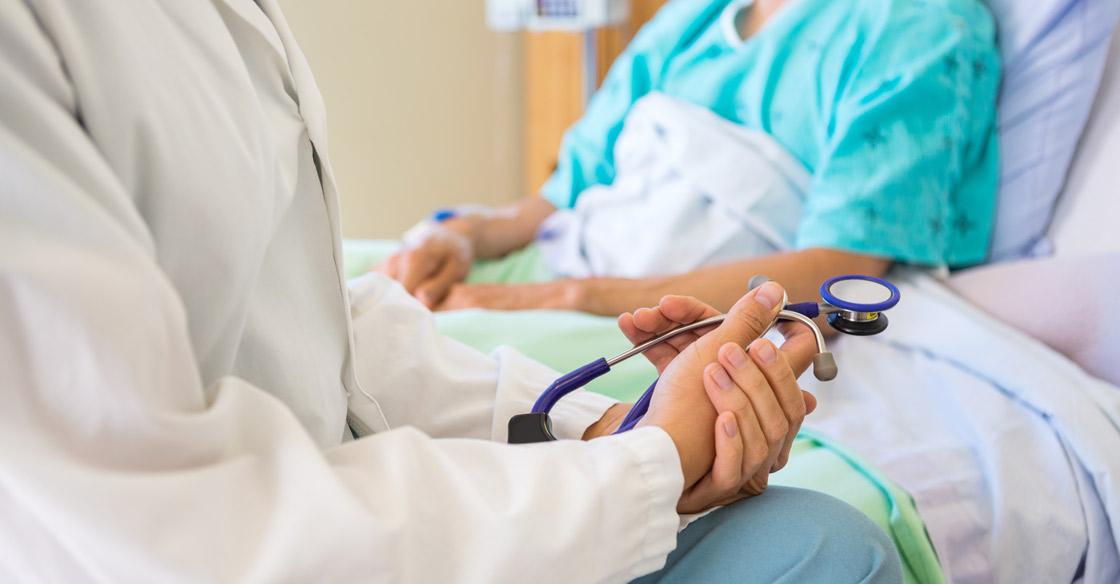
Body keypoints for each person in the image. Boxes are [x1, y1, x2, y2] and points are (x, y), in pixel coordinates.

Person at [0, 1, 901, 582]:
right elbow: (179, 530)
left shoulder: (918, 30)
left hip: (336, 492)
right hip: (241, 543)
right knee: (830, 555)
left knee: (824, 538)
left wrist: (603, 428)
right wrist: (644, 463)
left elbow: (292, 318)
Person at [381, 0, 1001, 316]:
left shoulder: (922, 30)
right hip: (562, 263)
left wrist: (572, 300)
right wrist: (468, 235)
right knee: (351, 301)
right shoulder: (697, 16)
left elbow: (840, 273)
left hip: (651, 319)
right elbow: (570, 187)